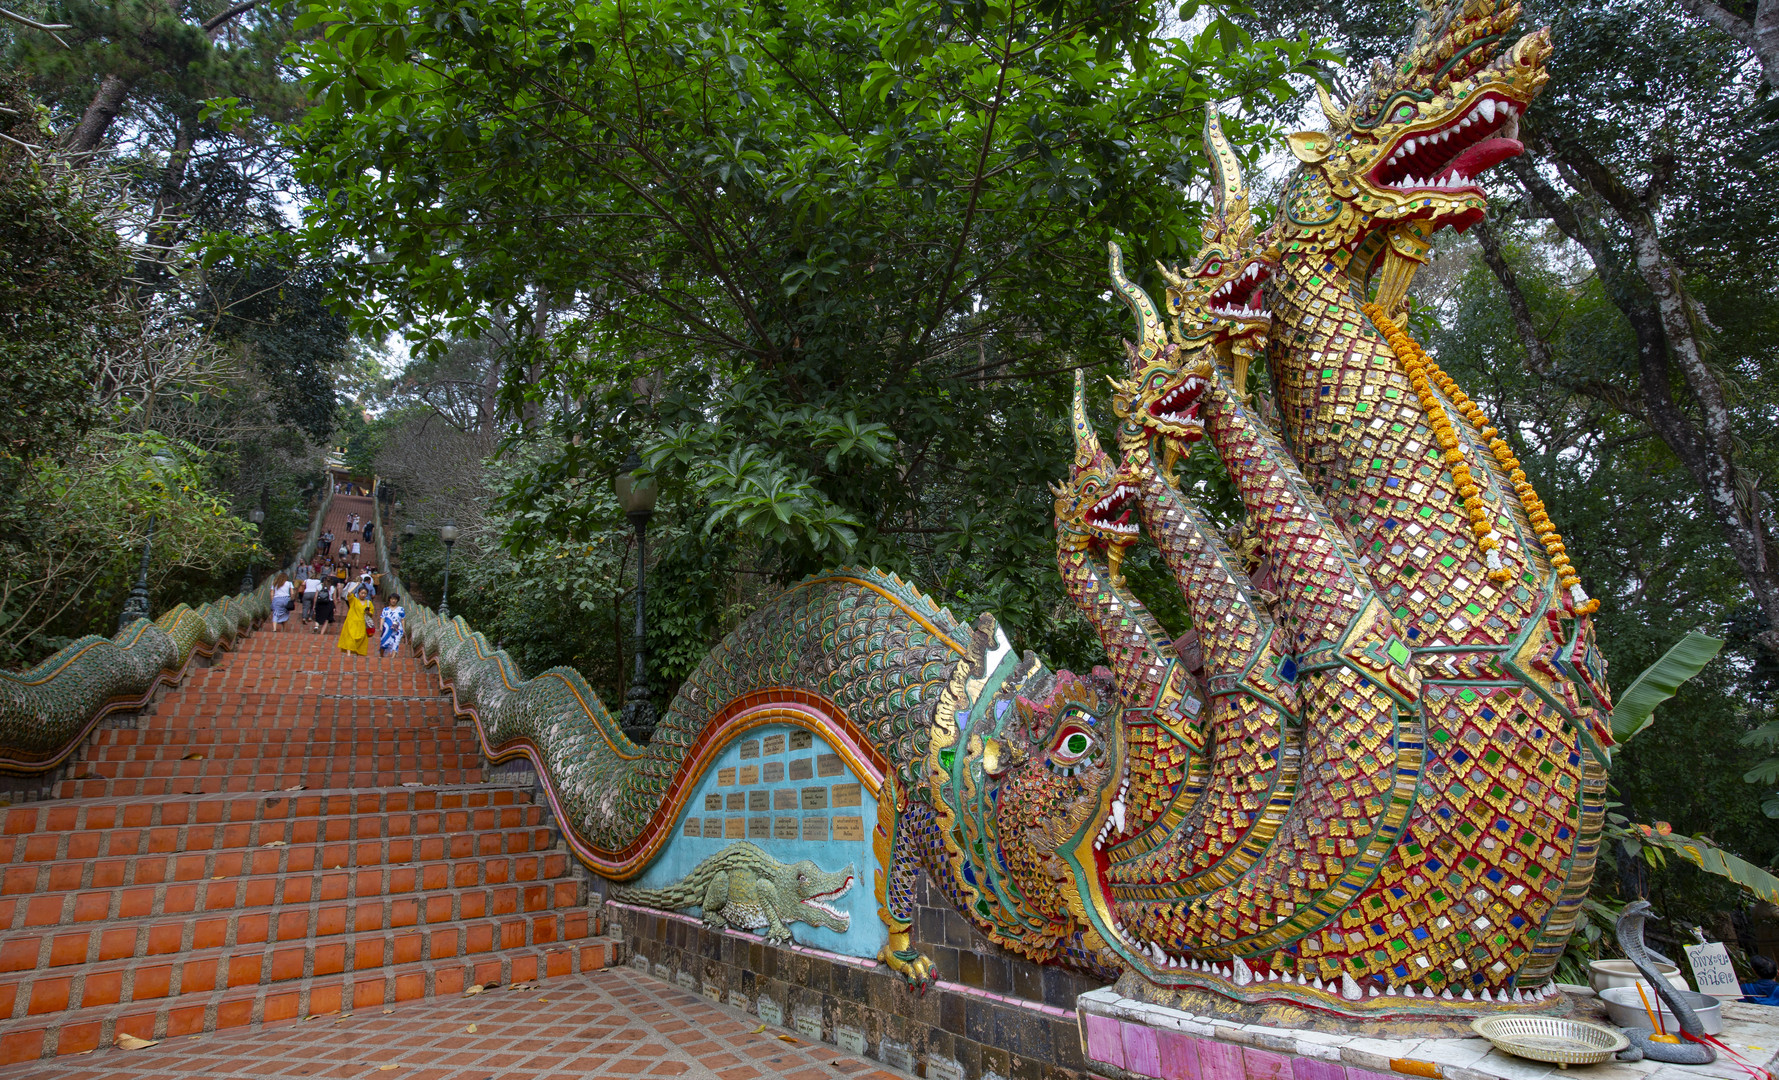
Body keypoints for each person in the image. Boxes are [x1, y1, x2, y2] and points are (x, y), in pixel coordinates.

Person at [337, 584, 372, 656]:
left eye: (365, 593)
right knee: (350, 637)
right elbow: (349, 593)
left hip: (362, 623)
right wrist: (356, 585)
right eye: (362, 593)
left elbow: (371, 614)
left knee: (361, 638)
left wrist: (368, 612)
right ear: (358, 593)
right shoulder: (354, 600)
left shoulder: (369, 603)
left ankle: (357, 652)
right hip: (352, 621)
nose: (363, 595)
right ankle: (348, 653)